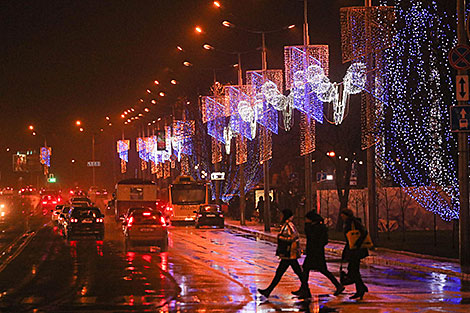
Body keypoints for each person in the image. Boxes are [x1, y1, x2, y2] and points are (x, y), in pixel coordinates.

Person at [292, 211, 344, 299]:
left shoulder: (316, 228)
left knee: (318, 270)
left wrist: (308, 227)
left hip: (315, 252)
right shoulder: (318, 227)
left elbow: (313, 237)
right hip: (314, 252)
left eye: (307, 219)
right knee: (308, 269)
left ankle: (338, 286)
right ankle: (304, 288)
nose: (306, 221)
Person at [258, 209, 303, 298]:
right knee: (292, 273)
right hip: (288, 255)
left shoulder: (289, 225)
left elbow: (293, 237)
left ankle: (268, 291)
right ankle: (268, 291)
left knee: (282, 273)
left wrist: (281, 237)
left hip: (289, 254)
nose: (280, 216)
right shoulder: (286, 225)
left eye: (281, 214)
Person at [340, 208, 369, 300]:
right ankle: (361, 289)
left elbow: (364, 232)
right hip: (352, 249)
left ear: (347, 215)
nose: (342, 217)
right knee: (354, 270)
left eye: (343, 215)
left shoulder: (354, 223)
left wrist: (357, 243)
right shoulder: (348, 223)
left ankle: (361, 288)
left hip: (356, 250)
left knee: (353, 269)